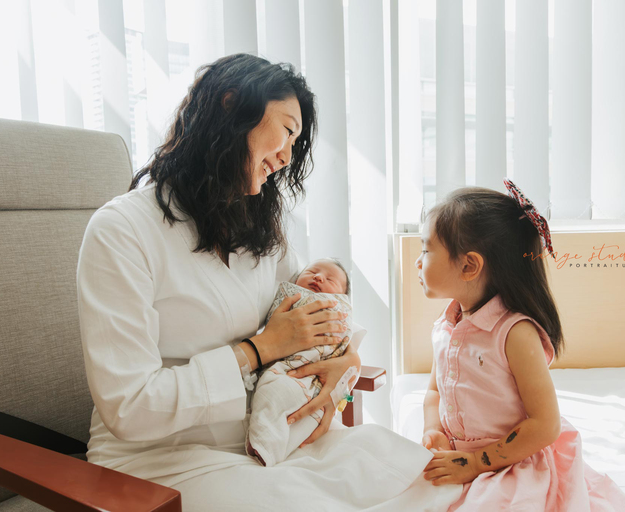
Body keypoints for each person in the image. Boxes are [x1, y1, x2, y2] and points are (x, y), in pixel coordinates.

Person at [77, 53, 461, 511]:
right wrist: (257, 350)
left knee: (428, 480)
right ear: (230, 106)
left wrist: (347, 363)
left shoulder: (258, 231)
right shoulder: (122, 231)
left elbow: (309, 312)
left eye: (296, 142)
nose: (287, 156)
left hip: (266, 436)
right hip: (162, 461)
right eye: (287, 130)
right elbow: (130, 407)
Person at [417, 180, 625, 511]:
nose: (418, 262)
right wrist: (433, 428)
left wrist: (476, 463)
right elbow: (435, 392)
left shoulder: (514, 333)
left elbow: (545, 424)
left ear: (469, 265)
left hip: (509, 460)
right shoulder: (447, 324)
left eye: (425, 249)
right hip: (457, 454)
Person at [246, 258, 358, 467]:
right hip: (282, 367)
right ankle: (267, 446)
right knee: (273, 393)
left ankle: (274, 445)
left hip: (315, 376)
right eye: (312, 271)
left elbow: (345, 338)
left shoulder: (337, 310)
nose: (318, 277)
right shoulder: (289, 296)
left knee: (306, 409)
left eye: (330, 279)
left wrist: (352, 362)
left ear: (341, 297)